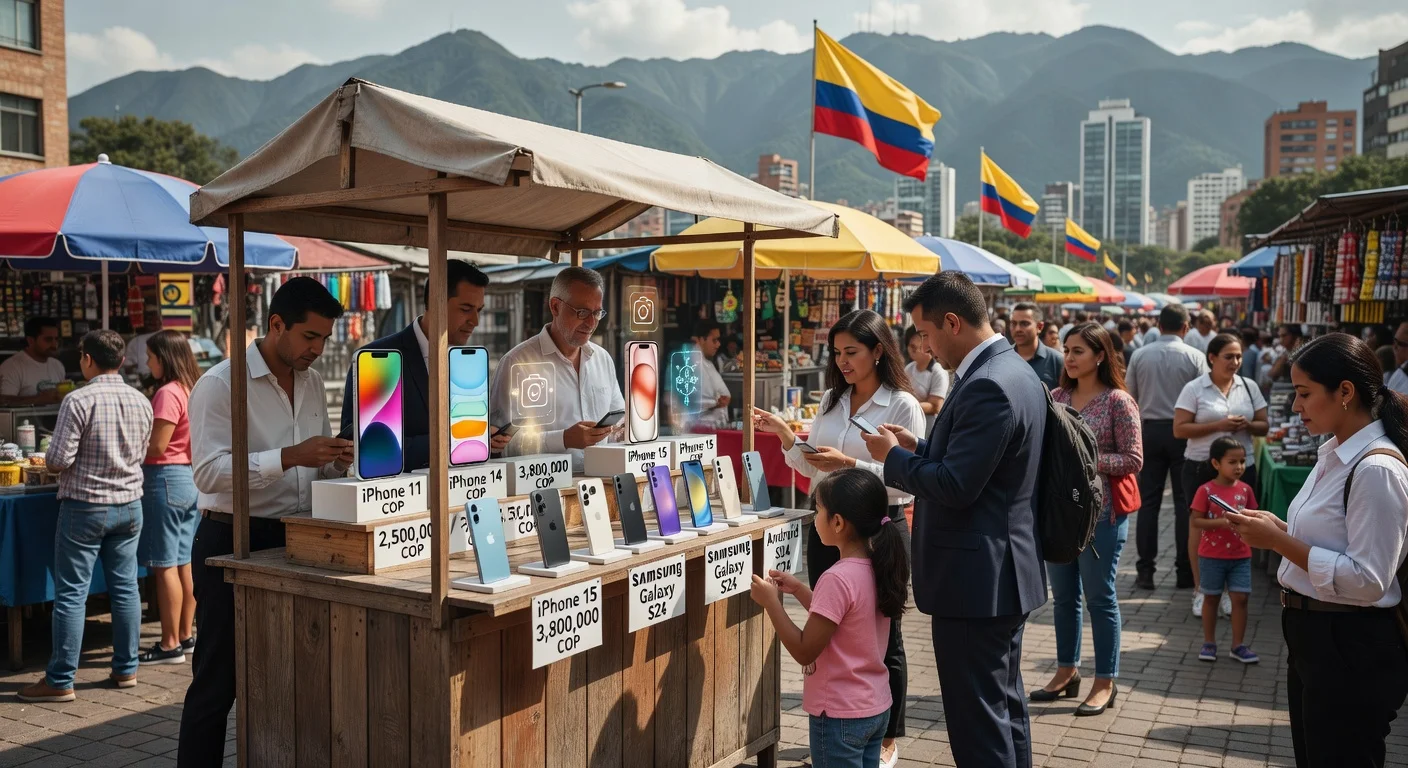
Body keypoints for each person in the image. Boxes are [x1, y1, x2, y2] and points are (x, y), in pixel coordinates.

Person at [860, 272, 1047, 768]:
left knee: (978, 721)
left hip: (978, 579)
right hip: (999, 571)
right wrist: (918, 447)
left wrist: (892, 461)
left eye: (925, 332)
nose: (924, 345)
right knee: (1003, 707)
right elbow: (979, 464)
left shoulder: (988, 383)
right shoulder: (1010, 370)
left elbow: (958, 485)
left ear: (952, 321)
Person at [178, 277, 353, 766]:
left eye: (324, 339)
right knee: (218, 679)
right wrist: (291, 455)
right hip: (233, 535)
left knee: (291, 673)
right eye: (309, 337)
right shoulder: (220, 383)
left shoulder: (315, 381)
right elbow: (208, 472)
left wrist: (336, 459)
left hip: (299, 536)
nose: (317, 350)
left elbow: (311, 468)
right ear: (276, 324)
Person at [1222, 333, 1408, 767]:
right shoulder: (1335, 454)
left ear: (1345, 392)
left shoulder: (1376, 468)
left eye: (1305, 394)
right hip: (1317, 636)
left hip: (1350, 642)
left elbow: (1368, 579)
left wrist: (1280, 541)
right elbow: (1333, 542)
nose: (1295, 405)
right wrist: (1278, 527)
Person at [753, 309, 923, 767]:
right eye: (837, 353)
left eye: (852, 352)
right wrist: (790, 439)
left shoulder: (901, 405)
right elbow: (814, 468)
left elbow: (909, 483)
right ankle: (837, 729)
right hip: (829, 529)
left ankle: (885, 736)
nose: (843, 362)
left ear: (878, 351)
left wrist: (851, 467)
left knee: (884, 637)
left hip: (879, 529)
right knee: (830, 620)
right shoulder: (831, 398)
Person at [18, 331, 153, 702]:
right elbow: (140, 453)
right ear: (122, 361)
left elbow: (58, 460)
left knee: (72, 595)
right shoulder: (141, 400)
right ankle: (126, 670)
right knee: (125, 589)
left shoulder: (78, 400)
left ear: (87, 359)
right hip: (129, 505)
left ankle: (61, 680)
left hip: (86, 506)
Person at [749, 469, 908, 768]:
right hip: (875, 706)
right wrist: (799, 591)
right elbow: (845, 619)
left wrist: (772, 604)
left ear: (837, 522)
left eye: (817, 509)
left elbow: (805, 650)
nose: (814, 516)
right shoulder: (877, 566)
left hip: (839, 715)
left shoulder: (837, 578)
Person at [1029, 322, 1142, 716]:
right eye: (1067, 349)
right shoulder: (1057, 396)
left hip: (1103, 517)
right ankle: (1066, 672)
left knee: (1100, 598)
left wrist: (1086, 462)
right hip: (1060, 516)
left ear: (1100, 355)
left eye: (1078, 351)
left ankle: (1105, 681)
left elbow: (1133, 459)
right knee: (1063, 599)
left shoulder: (1118, 402)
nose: (1070, 358)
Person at [340, 260, 508, 470]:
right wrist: (452, 442)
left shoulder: (468, 362)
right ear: (435, 302)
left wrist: (486, 441)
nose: (475, 320)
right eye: (466, 309)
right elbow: (367, 448)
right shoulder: (379, 358)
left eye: (479, 310)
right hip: (397, 497)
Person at [489, 266, 625, 472]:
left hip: (601, 483)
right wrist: (563, 439)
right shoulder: (518, 362)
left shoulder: (602, 359)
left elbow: (619, 420)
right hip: (543, 491)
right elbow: (500, 446)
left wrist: (622, 430)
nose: (591, 323)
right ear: (555, 307)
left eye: (597, 313)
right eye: (582, 312)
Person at [1173, 332, 1268, 617]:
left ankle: (1229, 590)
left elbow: (1264, 425)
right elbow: (1179, 429)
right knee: (1199, 526)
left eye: (1239, 356)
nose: (1236, 362)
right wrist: (1219, 425)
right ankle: (1202, 589)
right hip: (1201, 466)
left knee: (1239, 525)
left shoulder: (1248, 386)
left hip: (1241, 467)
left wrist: (1248, 426)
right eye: (1229, 356)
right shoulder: (1195, 388)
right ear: (1212, 358)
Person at [1126, 304, 1209, 590]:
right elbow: (1203, 398)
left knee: (1148, 504)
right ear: (1186, 328)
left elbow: (1131, 397)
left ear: (1159, 326)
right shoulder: (1196, 356)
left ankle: (1145, 571)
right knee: (1184, 505)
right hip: (1184, 433)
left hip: (1149, 430)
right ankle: (1184, 572)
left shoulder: (1139, 354)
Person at [135, 331, 203, 666]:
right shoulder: (194, 387)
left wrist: (129, 447)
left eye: (150, 357)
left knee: (164, 566)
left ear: (164, 357)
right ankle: (186, 636)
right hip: (189, 478)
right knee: (183, 562)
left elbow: (157, 446)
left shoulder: (168, 393)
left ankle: (168, 643)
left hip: (165, 478)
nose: (148, 363)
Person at [1189, 436, 1259, 665]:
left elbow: (1254, 516)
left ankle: (1238, 645)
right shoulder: (1205, 491)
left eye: (1242, 461)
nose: (1239, 466)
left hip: (1240, 555)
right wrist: (1222, 523)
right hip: (1211, 555)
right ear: (1216, 463)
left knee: (1240, 598)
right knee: (1211, 598)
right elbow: (1196, 522)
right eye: (1232, 461)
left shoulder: (1246, 490)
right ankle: (1209, 643)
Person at [0, 316, 66, 405]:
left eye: (56, 339)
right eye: (48, 339)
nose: (54, 344)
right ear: (31, 341)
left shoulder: (58, 366)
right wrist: (39, 399)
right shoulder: (11, 367)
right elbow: (3, 402)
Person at [903, 324, 948, 434]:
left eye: (917, 347)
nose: (913, 351)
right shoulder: (909, 368)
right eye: (911, 347)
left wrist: (908, 405)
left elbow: (936, 406)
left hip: (928, 429)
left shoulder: (938, 372)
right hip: (909, 424)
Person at [1009, 302, 1063, 391]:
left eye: (1024, 324)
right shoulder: (1002, 357)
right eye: (1014, 323)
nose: (1018, 329)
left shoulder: (1057, 361)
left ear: (1039, 327)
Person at [689, 319, 732, 429]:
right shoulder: (689, 363)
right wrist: (715, 403)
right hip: (699, 430)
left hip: (716, 427)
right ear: (701, 339)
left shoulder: (708, 364)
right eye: (714, 340)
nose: (718, 344)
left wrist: (722, 400)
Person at [1387, 320, 1408, 395]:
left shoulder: (1403, 376)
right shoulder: (1399, 374)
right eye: (1394, 341)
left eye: (1400, 344)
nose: (1394, 347)